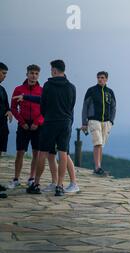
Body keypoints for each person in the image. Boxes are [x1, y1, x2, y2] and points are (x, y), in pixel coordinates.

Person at [27, 60, 76, 196]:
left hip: (50, 121)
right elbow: (71, 105)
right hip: (65, 122)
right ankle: (59, 186)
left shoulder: (48, 85)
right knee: (63, 152)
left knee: (43, 152)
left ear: (54, 70)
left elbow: (43, 105)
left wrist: (48, 115)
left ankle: (36, 184)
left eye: (51, 70)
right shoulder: (72, 87)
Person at [13, 94, 80, 193]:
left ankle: (73, 183)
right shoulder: (57, 92)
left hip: (61, 128)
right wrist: (26, 97)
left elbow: (69, 112)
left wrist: (68, 126)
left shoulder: (64, 92)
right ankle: (54, 183)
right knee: (51, 155)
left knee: (65, 154)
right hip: (52, 127)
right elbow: (42, 100)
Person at [8, 65, 43, 189]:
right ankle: (16, 178)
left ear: (38, 75)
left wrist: (37, 122)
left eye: (36, 74)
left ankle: (31, 178)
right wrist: (21, 121)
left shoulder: (42, 90)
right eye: (31, 73)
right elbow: (13, 107)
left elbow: (46, 109)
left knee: (36, 153)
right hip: (22, 125)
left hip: (37, 126)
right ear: (27, 74)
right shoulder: (18, 89)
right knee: (20, 152)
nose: (34, 75)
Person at [81, 71, 116, 176]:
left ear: (106, 79)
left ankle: (98, 167)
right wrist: (84, 123)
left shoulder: (110, 92)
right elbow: (85, 107)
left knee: (101, 144)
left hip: (106, 122)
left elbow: (114, 107)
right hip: (93, 120)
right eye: (98, 77)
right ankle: (97, 167)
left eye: (102, 77)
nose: (100, 79)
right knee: (98, 143)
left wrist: (111, 121)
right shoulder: (91, 91)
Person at [0, 62, 12, 198]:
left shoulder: (2, 89)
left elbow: (7, 106)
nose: (5, 76)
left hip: (2, 127)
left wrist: (9, 111)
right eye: (3, 73)